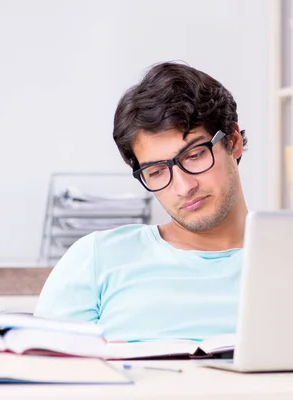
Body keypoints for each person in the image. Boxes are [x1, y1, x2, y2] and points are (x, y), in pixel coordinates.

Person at [34, 61, 249, 342]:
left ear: (233, 142)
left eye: (195, 155)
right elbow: (44, 371)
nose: (184, 187)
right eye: (157, 171)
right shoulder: (97, 259)